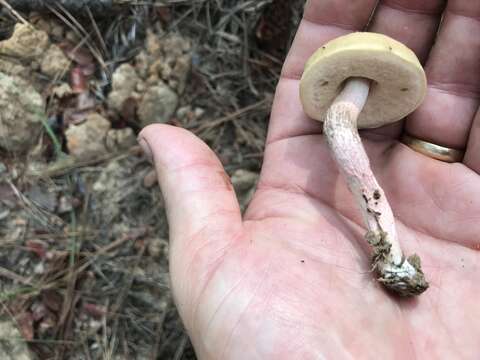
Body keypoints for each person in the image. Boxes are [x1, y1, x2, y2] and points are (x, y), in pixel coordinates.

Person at [138, 0, 480, 358]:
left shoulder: (356, 106)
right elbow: (337, 121)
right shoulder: (334, 111)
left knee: (340, 124)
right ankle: (392, 260)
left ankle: (393, 260)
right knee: (338, 122)